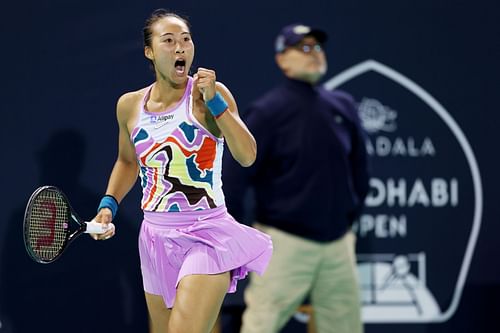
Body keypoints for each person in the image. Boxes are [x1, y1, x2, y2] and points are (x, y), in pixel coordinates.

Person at [90, 9, 273, 333]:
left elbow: (247, 155)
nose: (180, 49)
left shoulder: (210, 99)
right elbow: (128, 161)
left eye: (186, 40)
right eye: (169, 41)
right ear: (149, 51)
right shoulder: (129, 105)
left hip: (208, 234)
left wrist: (215, 101)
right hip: (154, 239)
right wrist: (108, 206)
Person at [223, 23, 370, 333]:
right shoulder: (267, 112)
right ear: (282, 59)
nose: (314, 54)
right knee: (261, 324)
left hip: (338, 244)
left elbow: (360, 173)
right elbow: (235, 179)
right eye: (303, 48)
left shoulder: (343, 105)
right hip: (284, 243)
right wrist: (235, 241)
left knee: (344, 327)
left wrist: (346, 222)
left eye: (317, 47)